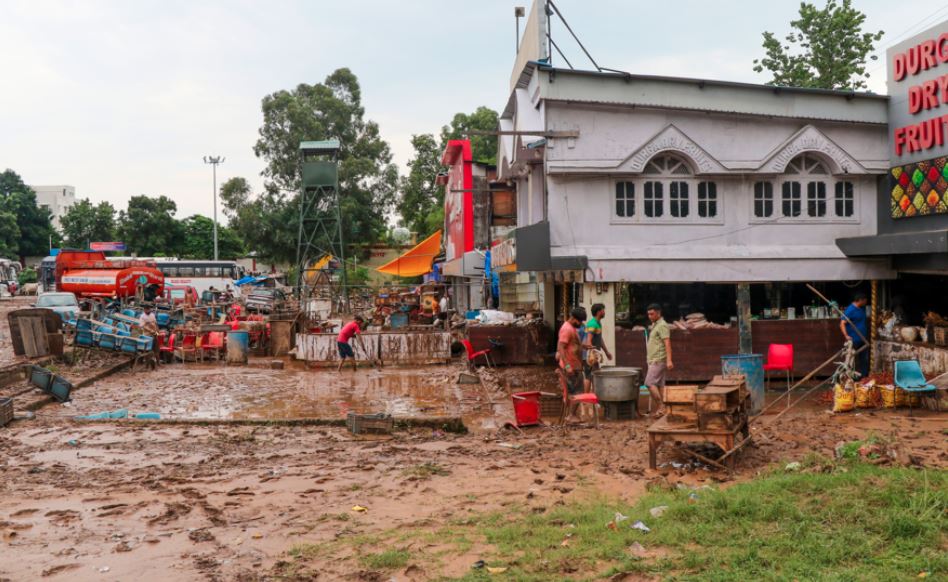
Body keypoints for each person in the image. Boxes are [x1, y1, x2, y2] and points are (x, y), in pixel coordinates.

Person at [557, 307, 587, 420]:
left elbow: (571, 345)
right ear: (574, 318)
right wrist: (568, 365)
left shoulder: (571, 328)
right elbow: (561, 347)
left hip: (574, 366)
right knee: (578, 392)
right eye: (579, 321)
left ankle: (570, 415)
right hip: (571, 367)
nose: (581, 324)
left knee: (576, 392)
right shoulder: (567, 329)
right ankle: (571, 415)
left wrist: (583, 346)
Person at [645, 303, 673, 417]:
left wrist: (669, 360)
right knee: (660, 385)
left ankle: (661, 407)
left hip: (658, 359)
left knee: (649, 383)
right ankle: (666, 409)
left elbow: (667, 343)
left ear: (658, 313)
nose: (650, 316)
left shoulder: (662, 325)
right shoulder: (656, 325)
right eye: (648, 314)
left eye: (652, 314)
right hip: (655, 359)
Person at [583, 303, 614, 392]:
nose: (604, 312)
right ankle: (586, 400)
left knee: (594, 374)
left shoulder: (597, 323)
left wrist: (606, 352)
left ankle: (594, 398)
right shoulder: (592, 324)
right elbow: (589, 339)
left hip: (594, 354)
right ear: (599, 312)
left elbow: (599, 339)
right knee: (588, 376)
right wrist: (591, 355)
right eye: (603, 310)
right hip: (590, 355)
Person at [840, 292, 869, 379]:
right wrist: (846, 335)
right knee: (851, 360)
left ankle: (864, 377)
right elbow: (842, 323)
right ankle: (849, 378)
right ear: (860, 300)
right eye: (865, 300)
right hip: (854, 339)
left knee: (864, 359)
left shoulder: (862, 308)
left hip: (863, 339)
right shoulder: (850, 310)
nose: (866, 302)